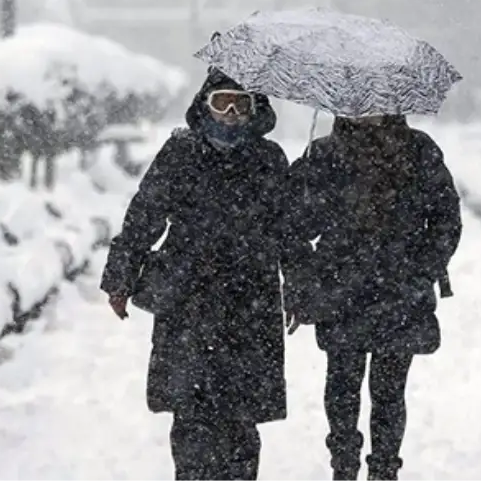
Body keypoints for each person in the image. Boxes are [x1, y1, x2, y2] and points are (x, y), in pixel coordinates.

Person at [100, 68, 295, 481]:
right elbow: (144, 216)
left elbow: (290, 233)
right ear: (203, 104)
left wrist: (300, 288)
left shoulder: (270, 160)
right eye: (221, 100)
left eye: (240, 103)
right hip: (188, 299)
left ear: (255, 109)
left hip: (251, 302)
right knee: (190, 414)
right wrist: (120, 275)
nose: (229, 112)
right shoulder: (181, 152)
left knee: (241, 420)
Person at [284, 115, 462, 481]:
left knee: (389, 391)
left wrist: (422, 268)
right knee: (342, 384)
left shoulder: (418, 149)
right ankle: (344, 465)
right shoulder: (325, 154)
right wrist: (303, 280)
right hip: (342, 291)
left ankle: (384, 468)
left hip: (400, 292)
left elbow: (446, 218)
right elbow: (296, 226)